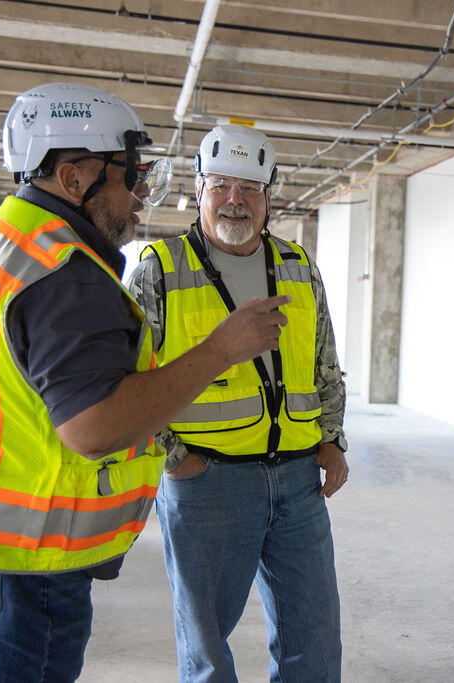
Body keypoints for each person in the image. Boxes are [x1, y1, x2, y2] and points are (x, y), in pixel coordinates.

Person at [0, 83, 286, 681]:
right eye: (128, 176)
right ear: (75, 178)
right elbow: (96, 427)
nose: (139, 198)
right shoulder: (63, 275)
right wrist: (222, 349)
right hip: (23, 561)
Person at [128, 123, 348, 682]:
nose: (235, 200)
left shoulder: (298, 265)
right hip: (210, 484)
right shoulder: (160, 266)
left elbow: (325, 361)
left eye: (249, 188)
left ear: (268, 196)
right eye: (221, 185)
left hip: (298, 482)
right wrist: (174, 457)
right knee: (206, 646)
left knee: (315, 640)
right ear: (198, 189)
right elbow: (130, 378)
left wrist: (331, 438)